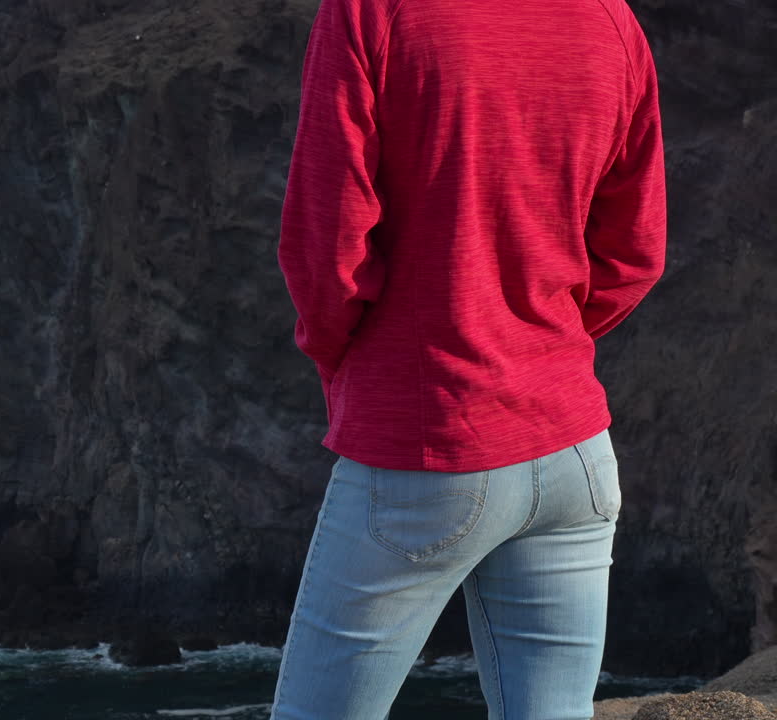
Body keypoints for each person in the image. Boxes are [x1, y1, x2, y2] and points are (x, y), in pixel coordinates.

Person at [269, 0, 667, 717]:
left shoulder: (369, 11)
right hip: (575, 451)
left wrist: (347, 368)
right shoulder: (609, 17)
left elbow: (327, 249)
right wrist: (544, 346)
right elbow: (634, 252)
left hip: (428, 438)